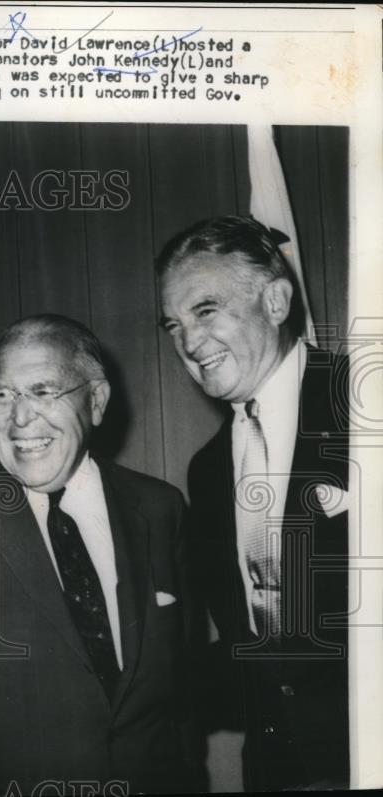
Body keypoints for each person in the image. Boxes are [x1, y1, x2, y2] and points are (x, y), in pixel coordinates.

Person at [0, 314, 201, 795]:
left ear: (96, 400)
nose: (19, 418)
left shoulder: (160, 507)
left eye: (43, 391)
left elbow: (180, 689)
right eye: (2, 395)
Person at [157, 215, 349, 790]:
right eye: (172, 324)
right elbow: (255, 650)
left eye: (206, 310)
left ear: (276, 301)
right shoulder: (208, 470)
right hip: (274, 769)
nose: (189, 343)